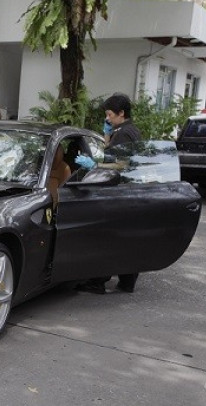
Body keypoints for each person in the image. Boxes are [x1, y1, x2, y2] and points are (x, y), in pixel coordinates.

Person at [75, 93, 142, 294]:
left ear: (121, 113)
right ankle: (127, 281)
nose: (107, 119)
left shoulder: (123, 133)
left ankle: (97, 281)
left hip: (118, 192)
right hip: (128, 192)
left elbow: (120, 164)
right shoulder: (129, 130)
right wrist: (106, 134)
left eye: (110, 114)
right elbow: (111, 153)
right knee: (125, 239)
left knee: (107, 238)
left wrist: (93, 164)